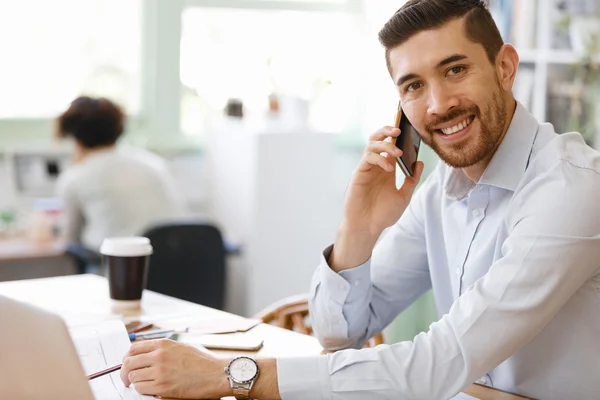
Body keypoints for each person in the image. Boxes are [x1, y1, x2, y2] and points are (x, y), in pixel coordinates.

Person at [119, 1, 600, 399]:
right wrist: (357, 230)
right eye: (413, 85)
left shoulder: (570, 189)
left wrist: (229, 374)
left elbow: (442, 361)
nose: (437, 104)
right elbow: (338, 332)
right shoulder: (440, 191)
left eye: (455, 70)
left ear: (505, 67)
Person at [55, 96, 185, 257]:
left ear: (74, 136)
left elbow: (70, 239)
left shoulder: (76, 177)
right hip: (176, 267)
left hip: (117, 272)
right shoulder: (154, 164)